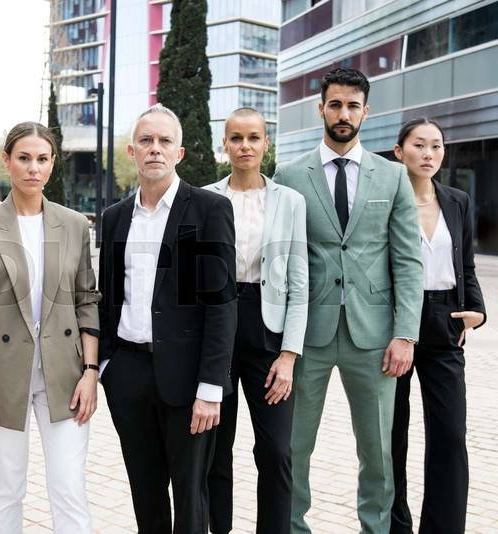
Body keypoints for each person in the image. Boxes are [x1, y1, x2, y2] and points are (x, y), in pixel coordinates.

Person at [272, 67, 424, 533]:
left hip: (375, 338)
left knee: (378, 451)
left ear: (366, 112)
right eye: (335, 104)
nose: (343, 114)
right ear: (321, 108)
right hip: (307, 336)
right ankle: (294, 527)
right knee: (294, 447)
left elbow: (408, 261)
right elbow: (281, 259)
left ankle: (375, 529)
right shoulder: (290, 175)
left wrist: (405, 334)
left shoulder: (393, 177)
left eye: (352, 105)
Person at [0, 121, 100, 533]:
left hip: (66, 375)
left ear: (53, 163)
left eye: (41, 159)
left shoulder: (74, 224)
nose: (33, 168)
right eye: (24, 158)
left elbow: (87, 300)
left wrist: (90, 374)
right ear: (6, 161)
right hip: (1, 376)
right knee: (4, 487)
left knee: (69, 486)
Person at [98, 103, 237, 533]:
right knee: (146, 492)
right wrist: (106, 366)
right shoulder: (115, 218)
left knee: (191, 495)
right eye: (146, 141)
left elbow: (221, 304)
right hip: (129, 375)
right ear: (131, 151)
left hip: (189, 380)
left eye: (164, 141)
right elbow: (106, 298)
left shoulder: (208, 210)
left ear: (180, 153)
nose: (154, 149)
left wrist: (212, 387)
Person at [203, 107, 308, 534]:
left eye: (253, 138)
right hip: (217, 331)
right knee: (214, 449)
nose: (245, 146)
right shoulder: (205, 197)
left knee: (277, 451)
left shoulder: (290, 201)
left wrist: (289, 355)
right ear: (224, 144)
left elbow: (300, 281)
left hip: (269, 334)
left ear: (266, 143)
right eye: (236, 138)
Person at [390, 118, 486, 534]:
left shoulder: (457, 200)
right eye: (419, 145)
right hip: (395, 324)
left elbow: (466, 264)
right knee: (390, 437)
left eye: (436, 146)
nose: (428, 154)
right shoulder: (387, 202)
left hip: (446, 321)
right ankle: (395, 526)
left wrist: (478, 311)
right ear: (399, 152)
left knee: (450, 434)